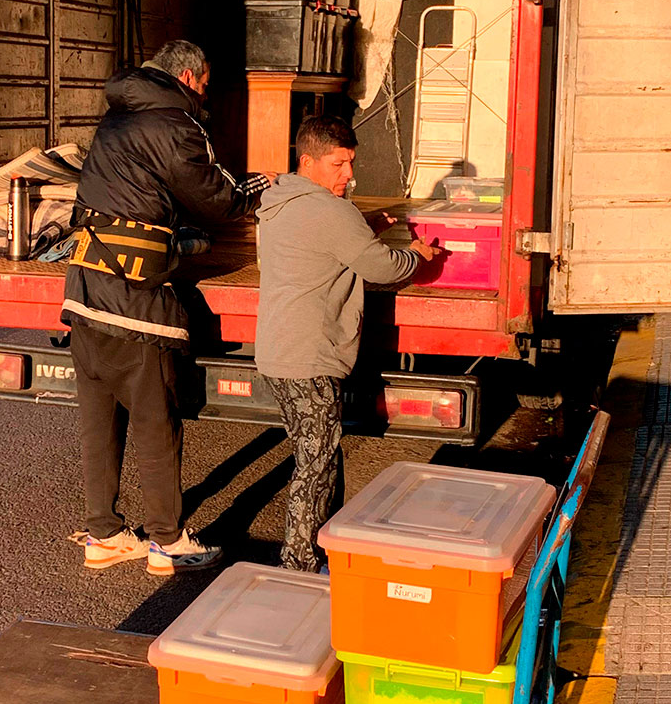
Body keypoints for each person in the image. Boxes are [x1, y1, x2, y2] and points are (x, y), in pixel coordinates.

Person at [62, 39, 270, 576]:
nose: (206, 95)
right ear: (188, 76)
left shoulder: (117, 117)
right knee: (157, 425)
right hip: (135, 303)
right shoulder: (177, 123)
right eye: (206, 84)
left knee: (99, 425)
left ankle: (104, 535)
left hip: (84, 292)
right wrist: (260, 187)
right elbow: (219, 198)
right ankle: (168, 541)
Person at [254, 115, 439, 572]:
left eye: (351, 162)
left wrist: (363, 224)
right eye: (338, 164)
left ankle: (322, 549)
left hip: (278, 350)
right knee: (315, 464)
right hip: (311, 356)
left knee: (316, 453)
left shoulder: (278, 201)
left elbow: (320, 242)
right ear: (308, 161)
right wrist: (417, 256)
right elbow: (383, 268)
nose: (349, 174)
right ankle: (298, 564)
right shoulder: (330, 211)